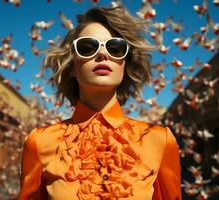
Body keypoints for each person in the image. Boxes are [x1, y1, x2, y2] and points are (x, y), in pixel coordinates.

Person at [18, 5, 181, 200]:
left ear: (125, 63)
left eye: (115, 48)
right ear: (72, 66)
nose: (103, 54)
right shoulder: (39, 142)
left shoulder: (160, 140)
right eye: (87, 47)